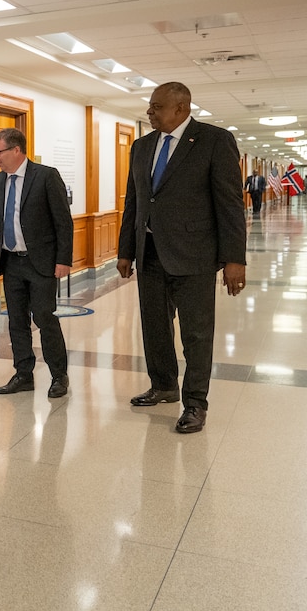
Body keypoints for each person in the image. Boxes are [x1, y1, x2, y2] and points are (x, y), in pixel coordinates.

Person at [118, 81, 247, 434]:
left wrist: (235, 259)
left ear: (181, 109)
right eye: (150, 106)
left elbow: (230, 204)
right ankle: (163, 386)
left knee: (196, 335)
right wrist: (126, 249)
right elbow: (135, 201)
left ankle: (195, 403)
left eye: (156, 107)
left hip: (195, 256)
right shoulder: (142, 147)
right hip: (150, 255)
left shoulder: (214, 141)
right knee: (155, 329)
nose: (150, 112)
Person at [0, 128, 73, 398]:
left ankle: (59, 376)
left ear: (16, 151)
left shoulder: (45, 176)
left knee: (45, 318)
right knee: (16, 322)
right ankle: (23, 374)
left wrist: (63, 260)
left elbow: (63, 222)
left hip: (42, 263)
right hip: (12, 263)